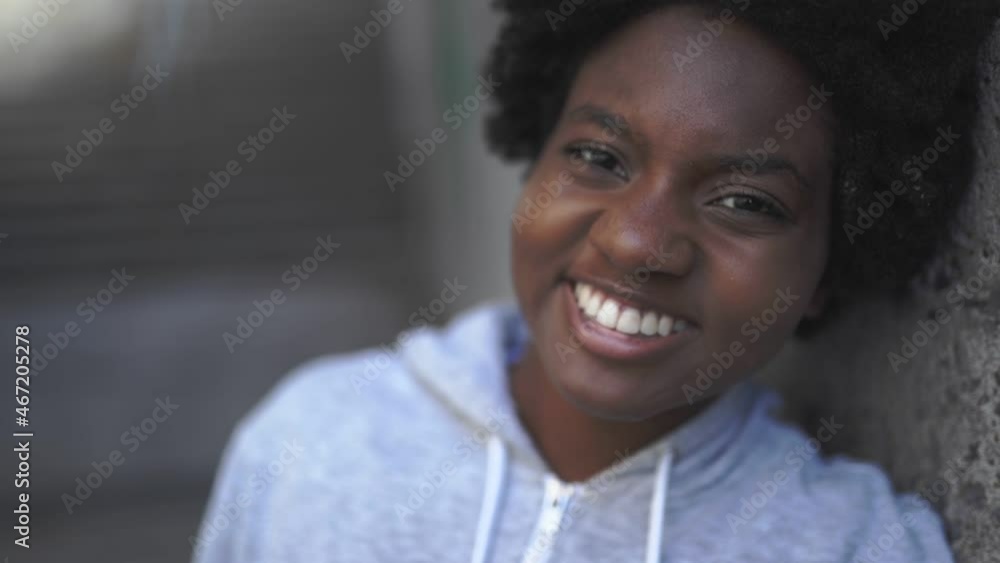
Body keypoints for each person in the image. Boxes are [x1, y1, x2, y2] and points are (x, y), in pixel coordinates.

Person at [191, 1, 997, 561]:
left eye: (746, 202)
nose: (637, 240)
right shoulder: (311, 441)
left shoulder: (855, 547)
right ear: (534, 158)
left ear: (829, 264)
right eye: (598, 157)